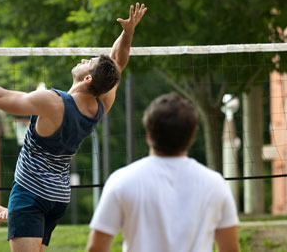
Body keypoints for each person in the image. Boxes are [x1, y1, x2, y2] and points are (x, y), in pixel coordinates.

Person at [0, 3, 147, 252]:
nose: (84, 59)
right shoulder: (101, 103)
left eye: (89, 62)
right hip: (58, 197)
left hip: (30, 192)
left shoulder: (53, 102)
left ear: (87, 78)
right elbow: (118, 61)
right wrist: (128, 33)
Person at [86, 92, 240, 252]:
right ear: (191, 137)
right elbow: (230, 248)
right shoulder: (215, 184)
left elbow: (96, 248)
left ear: (149, 136)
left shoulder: (122, 180)